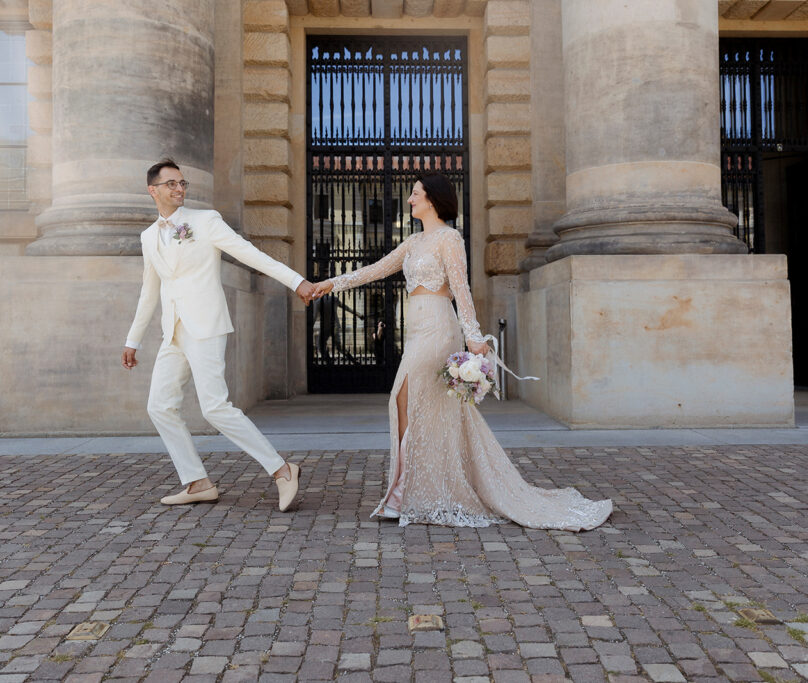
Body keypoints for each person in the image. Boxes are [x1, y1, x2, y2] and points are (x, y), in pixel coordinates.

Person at [311, 174, 612, 530]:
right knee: (416, 406)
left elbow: (461, 289)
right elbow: (373, 271)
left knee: (402, 397)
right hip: (416, 329)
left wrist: (473, 337)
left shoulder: (449, 238)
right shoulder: (411, 242)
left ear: (433, 200)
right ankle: (411, 490)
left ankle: (402, 493)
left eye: (415, 194)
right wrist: (328, 285)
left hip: (439, 329)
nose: (409, 199)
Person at [122, 159, 310, 511]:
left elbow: (252, 256)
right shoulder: (149, 236)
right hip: (173, 331)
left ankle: (283, 471)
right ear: (153, 190)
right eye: (171, 184)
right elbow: (149, 290)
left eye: (183, 183)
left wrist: (296, 281)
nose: (180, 189)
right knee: (159, 406)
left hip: (206, 325)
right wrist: (133, 340)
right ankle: (197, 482)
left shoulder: (205, 221)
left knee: (214, 408)